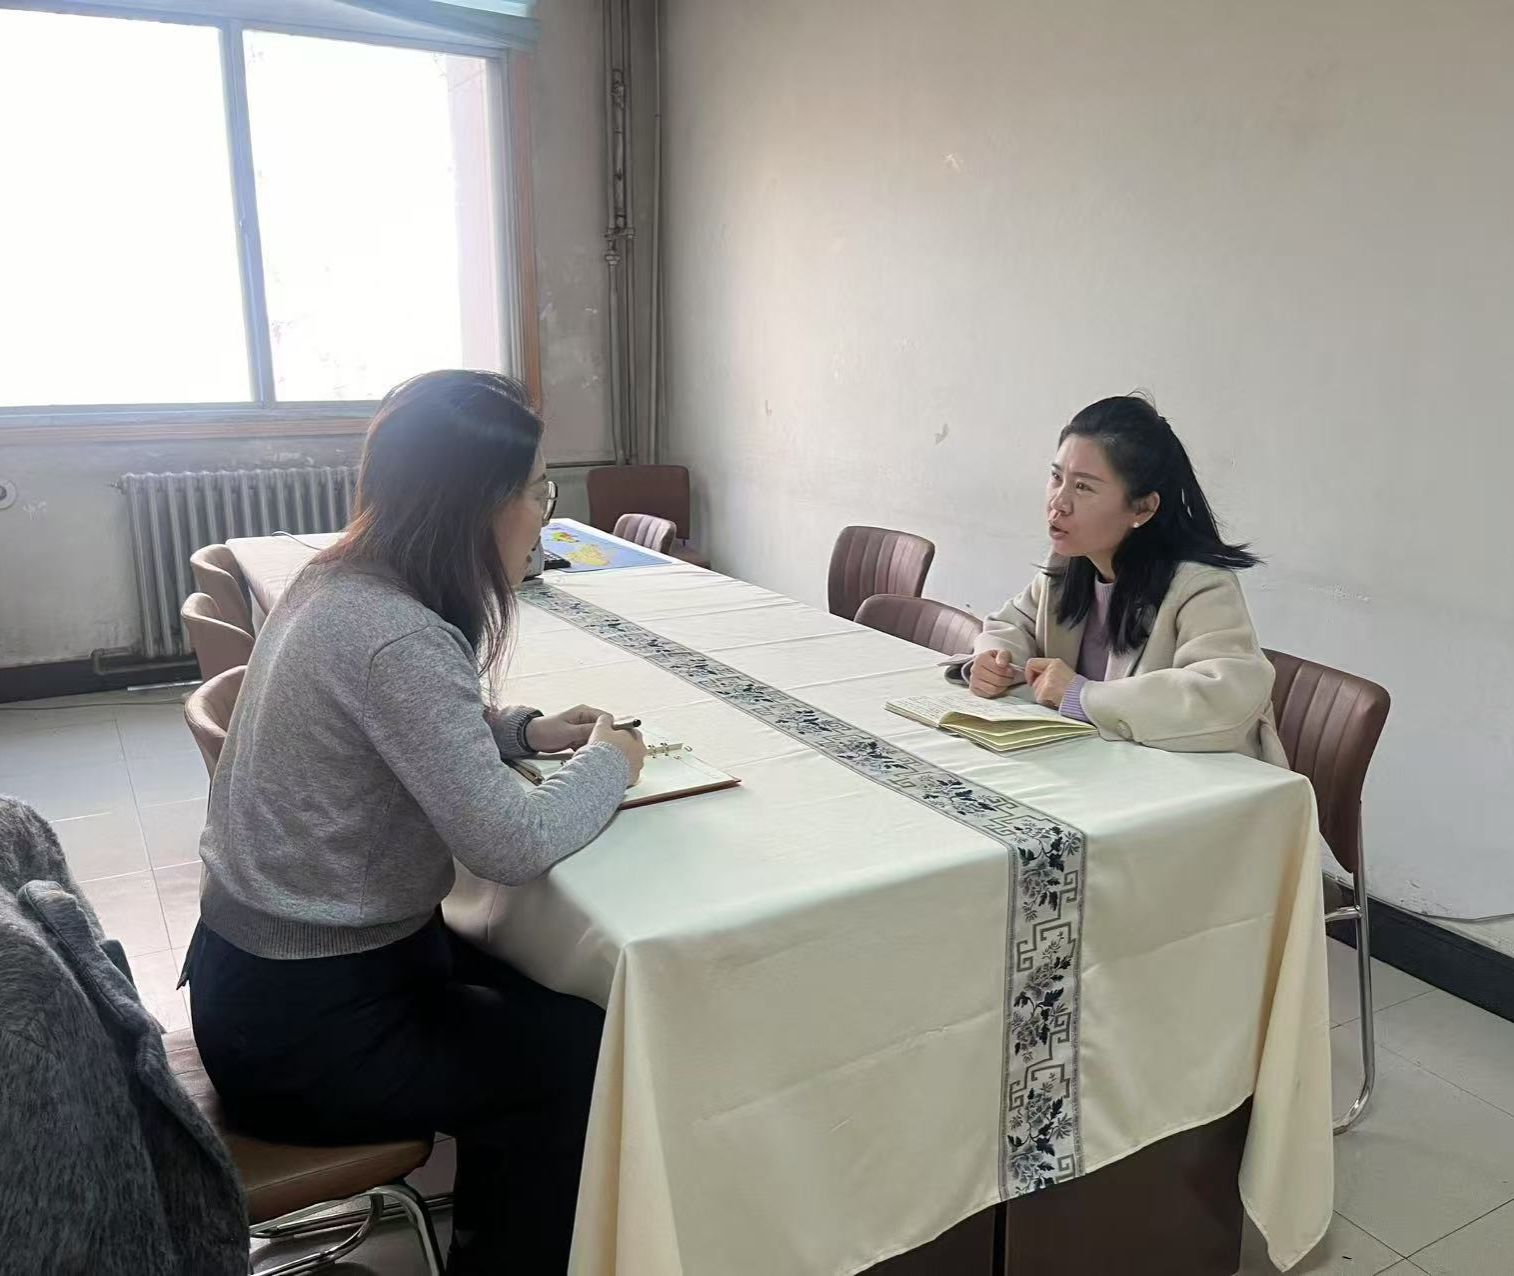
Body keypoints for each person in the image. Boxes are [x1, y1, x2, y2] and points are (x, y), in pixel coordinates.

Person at [185, 370, 647, 1274]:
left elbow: (397, 724)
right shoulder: (395, 634)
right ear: (474, 503)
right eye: (537, 491)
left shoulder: (341, 580)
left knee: (544, 983)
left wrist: (522, 732)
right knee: (580, 1053)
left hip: (264, 982)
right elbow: (510, 844)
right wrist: (609, 763)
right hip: (304, 1030)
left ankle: (499, 1214)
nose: (542, 516)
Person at [955, 394, 1287, 765]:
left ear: (1142, 508)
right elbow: (1011, 624)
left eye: (1083, 487)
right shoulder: (1070, 564)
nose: (1058, 503)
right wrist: (994, 660)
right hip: (1102, 770)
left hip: (1199, 786)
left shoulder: (1200, 585)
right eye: (1056, 477)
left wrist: (1083, 696)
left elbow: (1223, 699)